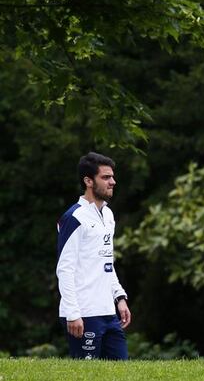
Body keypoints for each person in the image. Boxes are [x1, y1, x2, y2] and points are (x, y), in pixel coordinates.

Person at [56, 152, 131, 360]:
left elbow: (107, 262)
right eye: (106, 177)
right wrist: (73, 313)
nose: (113, 182)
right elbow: (65, 269)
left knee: (121, 372)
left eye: (112, 177)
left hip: (108, 312)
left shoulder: (108, 214)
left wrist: (120, 297)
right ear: (88, 181)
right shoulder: (74, 218)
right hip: (84, 313)